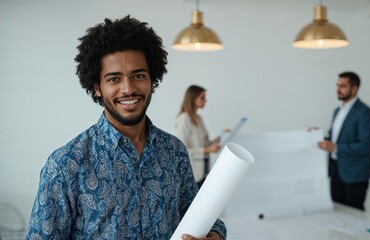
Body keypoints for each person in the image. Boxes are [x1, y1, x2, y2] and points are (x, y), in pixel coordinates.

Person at [26, 16, 226, 240]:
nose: (128, 89)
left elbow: (200, 215)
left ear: (153, 79)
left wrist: (215, 235)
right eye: (114, 79)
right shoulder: (65, 165)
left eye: (138, 76)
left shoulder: (174, 151)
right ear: (97, 88)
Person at [317, 71, 370, 211]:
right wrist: (317, 136)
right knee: (337, 213)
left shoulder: (364, 112)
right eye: (337, 85)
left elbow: (365, 146)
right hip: (336, 171)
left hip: (355, 174)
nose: (338, 89)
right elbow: (334, 138)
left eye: (343, 86)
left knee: (355, 216)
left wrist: (335, 147)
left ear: (354, 88)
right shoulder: (337, 111)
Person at [175, 85, 225, 188]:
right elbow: (181, 151)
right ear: (193, 99)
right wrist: (206, 150)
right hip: (193, 175)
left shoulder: (199, 118)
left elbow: (205, 144)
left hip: (204, 171)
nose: (205, 100)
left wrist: (220, 137)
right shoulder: (184, 119)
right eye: (202, 97)